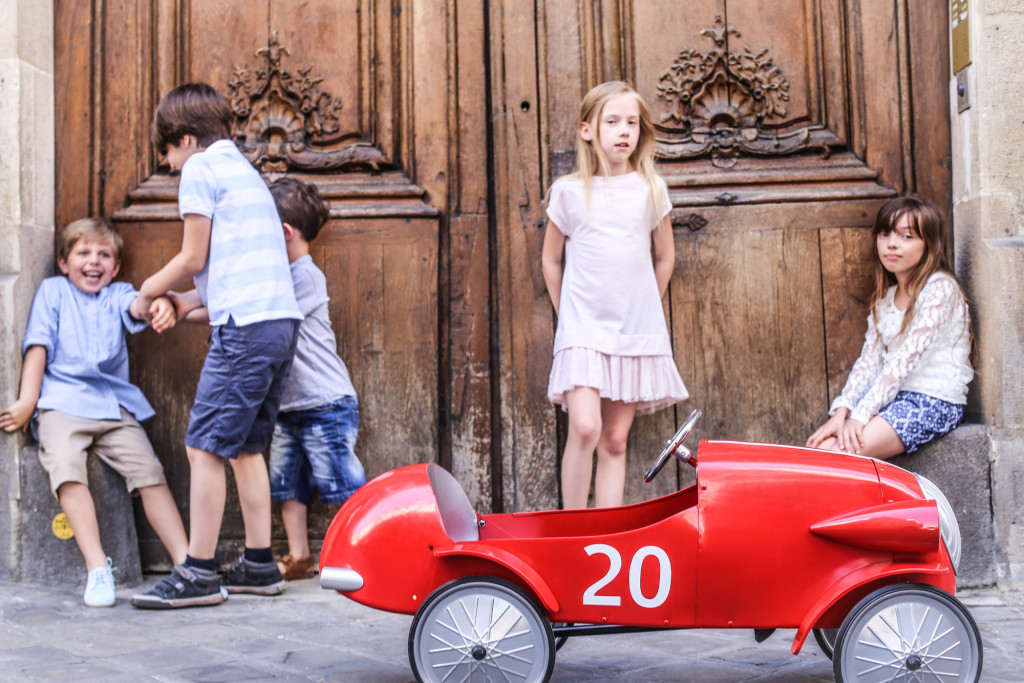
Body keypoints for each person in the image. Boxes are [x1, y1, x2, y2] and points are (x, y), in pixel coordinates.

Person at [130, 83, 302, 609]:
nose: (173, 169)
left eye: (170, 160)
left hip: (245, 330)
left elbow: (193, 256)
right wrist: (184, 304)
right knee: (247, 448)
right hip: (275, 323)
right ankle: (258, 564)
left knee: (203, 446)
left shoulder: (202, 170)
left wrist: (148, 292)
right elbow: (230, 274)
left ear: (184, 140)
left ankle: (198, 572)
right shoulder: (243, 172)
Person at [162, 178, 367, 581]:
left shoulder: (303, 277)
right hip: (289, 407)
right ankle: (299, 555)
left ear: (282, 233)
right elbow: (230, 301)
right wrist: (183, 306)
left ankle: (360, 555)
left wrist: (187, 306)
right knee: (287, 485)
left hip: (325, 402)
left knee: (340, 482)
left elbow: (240, 303)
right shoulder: (275, 277)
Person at [0, 218, 189, 607]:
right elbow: (37, 347)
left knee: (149, 472)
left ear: (116, 267)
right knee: (67, 469)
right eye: (83, 253)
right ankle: (97, 567)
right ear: (64, 262)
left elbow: (137, 305)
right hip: (61, 405)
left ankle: (188, 567)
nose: (94, 261)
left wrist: (159, 301)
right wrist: (27, 402)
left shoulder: (116, 294)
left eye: (104, 255)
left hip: (111, 405)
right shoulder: (53, 292)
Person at [541, 81, 688, 510]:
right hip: (583, 329)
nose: (624, 131)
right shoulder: (569, 191)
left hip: (632, 330)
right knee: (585, 426)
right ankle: (571, 525)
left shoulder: (649, 188)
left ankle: (606, 533)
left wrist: (643, 305)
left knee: (615, 440)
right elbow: (551, 260)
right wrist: (566, 315)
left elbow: (664, 257)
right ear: (588, 130)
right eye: (612, 122)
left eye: (632, 123)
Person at [806, 196, 973, 459]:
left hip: (934, 402)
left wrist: (861, 415)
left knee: (835, 457)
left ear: (929, 244)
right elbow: (869, 361)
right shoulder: (887, 298)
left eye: (907, 236)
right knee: (816, 453)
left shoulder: (941, 289)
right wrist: (842, 413)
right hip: (893, 400)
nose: (891, 244)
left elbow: (905, 359)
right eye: (884, 234)